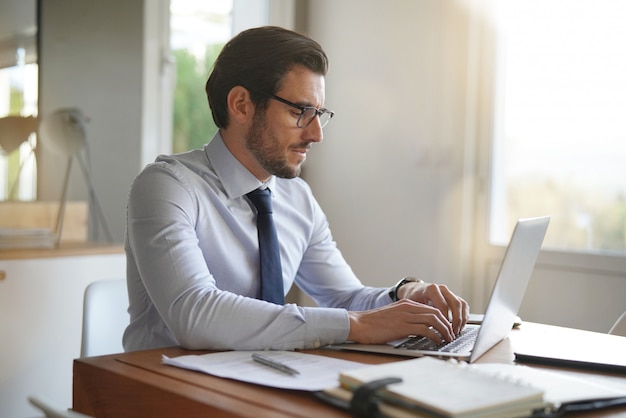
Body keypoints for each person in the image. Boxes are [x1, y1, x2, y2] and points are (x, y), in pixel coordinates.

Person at [123, 26, 469, 352]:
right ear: (241, 104)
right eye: (300, 111)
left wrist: (403, 296)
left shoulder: (296, 198)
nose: (316, 134)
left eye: (319, 113)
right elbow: (194, 314)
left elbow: (345, 298)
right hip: (166, 386)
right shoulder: (167, 187)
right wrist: (355, 325)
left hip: (261, 379)